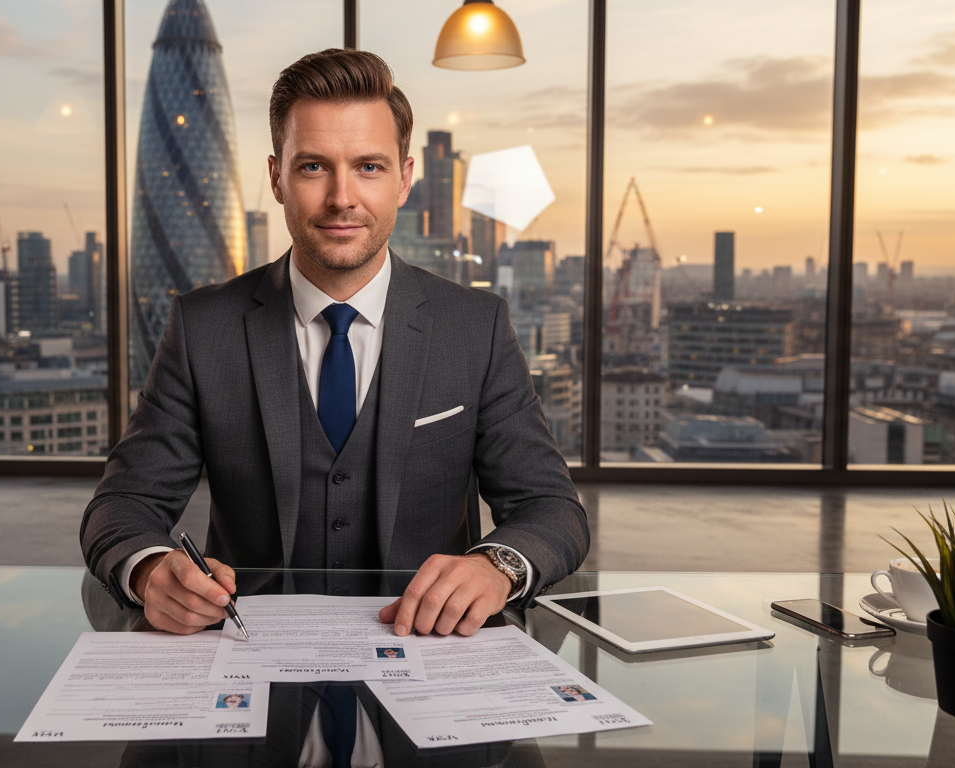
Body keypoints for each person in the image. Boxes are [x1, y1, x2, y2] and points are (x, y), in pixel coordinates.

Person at [81, 48, 588, 639]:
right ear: (277, 178)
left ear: (405, 178)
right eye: (314, 167)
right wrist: (149, 570)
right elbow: (122, 506)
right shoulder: (203, 328)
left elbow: (553, 509)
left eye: (369, 167)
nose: (342, 197)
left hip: (431, 655)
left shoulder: (474, 325)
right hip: (251, 660)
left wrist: (495, 566)